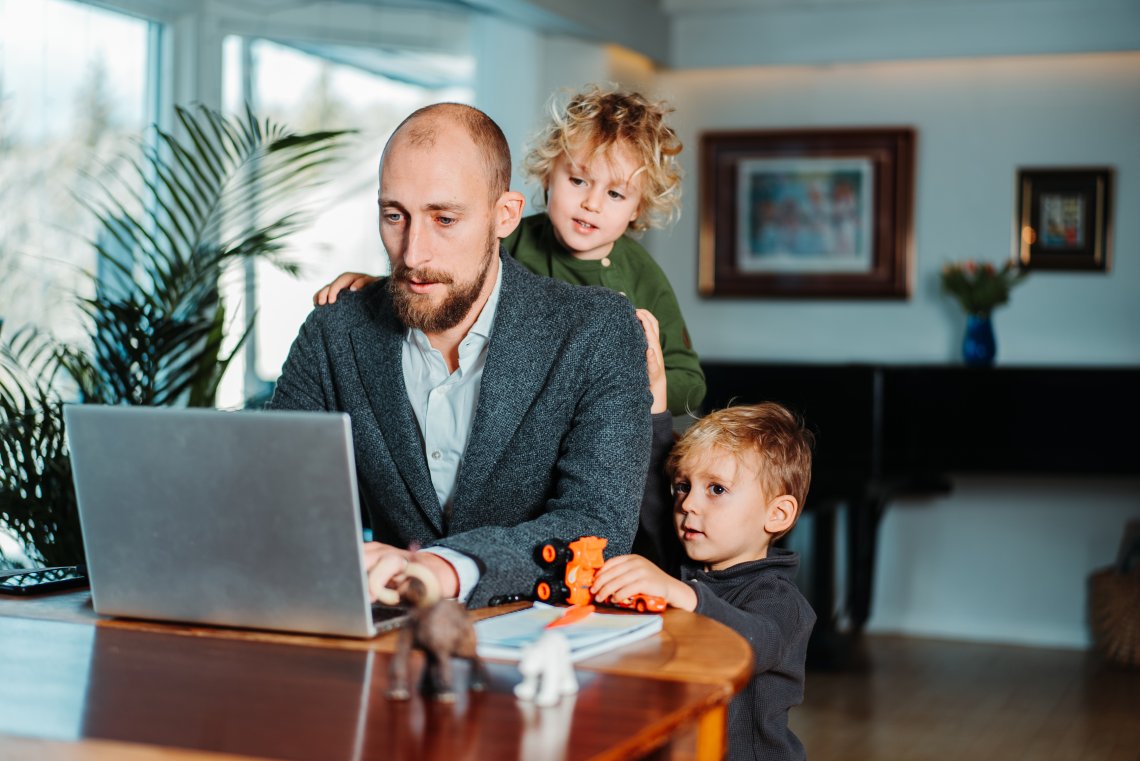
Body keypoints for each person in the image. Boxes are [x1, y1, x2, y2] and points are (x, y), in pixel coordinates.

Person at [268, 102, 652, 609]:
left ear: (505, 216)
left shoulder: (598, 331)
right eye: (394, 216)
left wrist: (447, 567)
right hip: (380, 649)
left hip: (546, 659)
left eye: (444, 219)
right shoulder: (332, 333)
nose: (413, 254)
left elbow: (595, 526)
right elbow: (276, 501)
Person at [314, 85, 706, 416]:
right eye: (578, 181)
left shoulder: (642, 275)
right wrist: (380, 287)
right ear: (547, 174)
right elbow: (449, 276)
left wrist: (635, 383)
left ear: (638, 207)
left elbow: (690, 380)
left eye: (616, 193)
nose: (592, 204)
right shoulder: (510, 238)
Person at [591, 402, 816, 761]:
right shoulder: (688, 568)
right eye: (683, 486)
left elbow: (753, 643)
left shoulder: (779, 598)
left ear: (777, 514)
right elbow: (653, 493)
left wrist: (679, 593)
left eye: (716, 489)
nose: (689, 503)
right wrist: (657, 406)